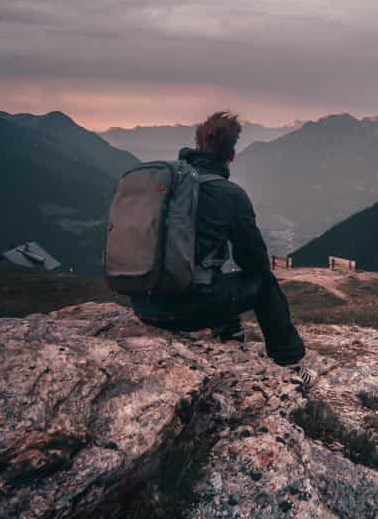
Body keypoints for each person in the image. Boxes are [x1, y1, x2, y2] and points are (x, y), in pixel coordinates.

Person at [130, 111, 305, 366]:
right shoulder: (229, 195)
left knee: (208, 274)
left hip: (143, 306)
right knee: (263, 282)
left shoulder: (169, 185)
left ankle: (229, 334)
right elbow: (254, 263)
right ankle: (290, 362)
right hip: (183, 313)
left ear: (197, 144)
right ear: (231, 155)